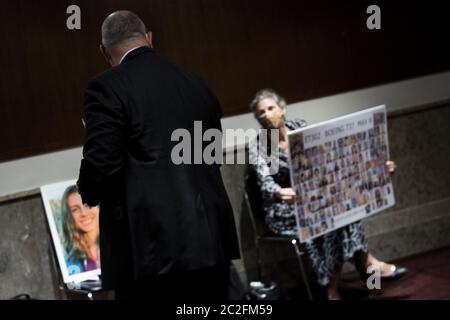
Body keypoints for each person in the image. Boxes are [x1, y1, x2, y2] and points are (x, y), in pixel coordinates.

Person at [77, 11, 239, 300]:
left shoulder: (106, 88)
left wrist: (87, 189)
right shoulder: (195, 82)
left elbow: (102, 165)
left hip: (151, 251)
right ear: (149, 38)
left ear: (104, 52)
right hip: (211, 239)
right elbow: (210, 154)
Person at [248, 88, 407, 300]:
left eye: (271, 108)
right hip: (285, 209)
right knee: (336, 218)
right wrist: (278, 191)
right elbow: (265, 181)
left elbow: (332, 160)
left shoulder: (301, 129)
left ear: (282, 109)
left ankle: (335, 289)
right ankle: (368, 274)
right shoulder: (258, 145)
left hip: (317, 200)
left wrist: (376, 167)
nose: (267, 115)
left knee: (344, 213)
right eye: (261, 112)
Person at [61, 185, 100, 274]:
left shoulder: (120, 243)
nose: (84, 213)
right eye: (75, 210)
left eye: (88, 205)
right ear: (68, 217)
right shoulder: (67, 261)